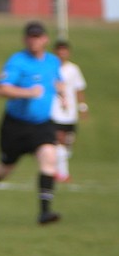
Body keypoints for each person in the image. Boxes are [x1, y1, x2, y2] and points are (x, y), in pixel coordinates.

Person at [0, 21, 63, 224]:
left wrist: (61, 91)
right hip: (16, 126)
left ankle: (44, 212)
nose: (34, 41)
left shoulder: (53, 62)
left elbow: (56, 81)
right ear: (25, 39)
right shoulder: (17, 61)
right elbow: (1, 89)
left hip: (42, 124)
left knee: (49, 157)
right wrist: (27, 92)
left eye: (38, 37)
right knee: (5, 168)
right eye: (31, 37)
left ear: (45, 39)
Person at [51, 39, 88, 183]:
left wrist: (82, 106)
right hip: (55, 111)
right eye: (59, 50)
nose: (62, 53)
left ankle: (58, 169)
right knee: (58, 139)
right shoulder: (51, 68)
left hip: (70, 113)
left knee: (67, 144)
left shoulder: (73, 69)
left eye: (64, 50)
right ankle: (62, 174)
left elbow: (79, 88)